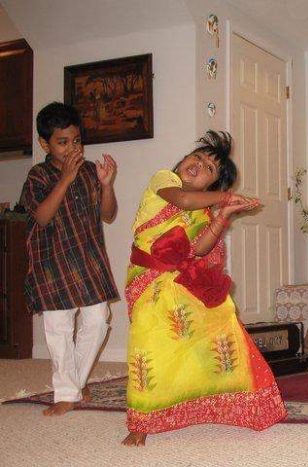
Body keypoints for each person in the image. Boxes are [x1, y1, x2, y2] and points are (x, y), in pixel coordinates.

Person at [122, 130, 286, 447]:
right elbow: (183, 199)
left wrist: (222, 216)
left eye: (209, 168)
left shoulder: (202, 210)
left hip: (182, 278)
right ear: (182, 161)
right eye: (197, 157)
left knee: (221, 317)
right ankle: (141, 422)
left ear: (211, 186)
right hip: (150, 281)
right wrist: (225, 198)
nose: (198, 164)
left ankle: (215, 399)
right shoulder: (163, 181)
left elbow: (198, 250)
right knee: (150, 341)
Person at [20, 102, 119, 416]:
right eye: (63, 142)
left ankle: (74, 381)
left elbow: (109, 214)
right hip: (52, 263)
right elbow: (43, 217)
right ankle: (66, 392)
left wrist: (106, 186)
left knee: (98, 320)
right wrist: (64, 178)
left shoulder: (90, 171)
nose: (71, 148)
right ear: (45, 144)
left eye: (76, 141)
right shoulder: (38, 175)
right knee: (59, 327)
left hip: (88, 259)